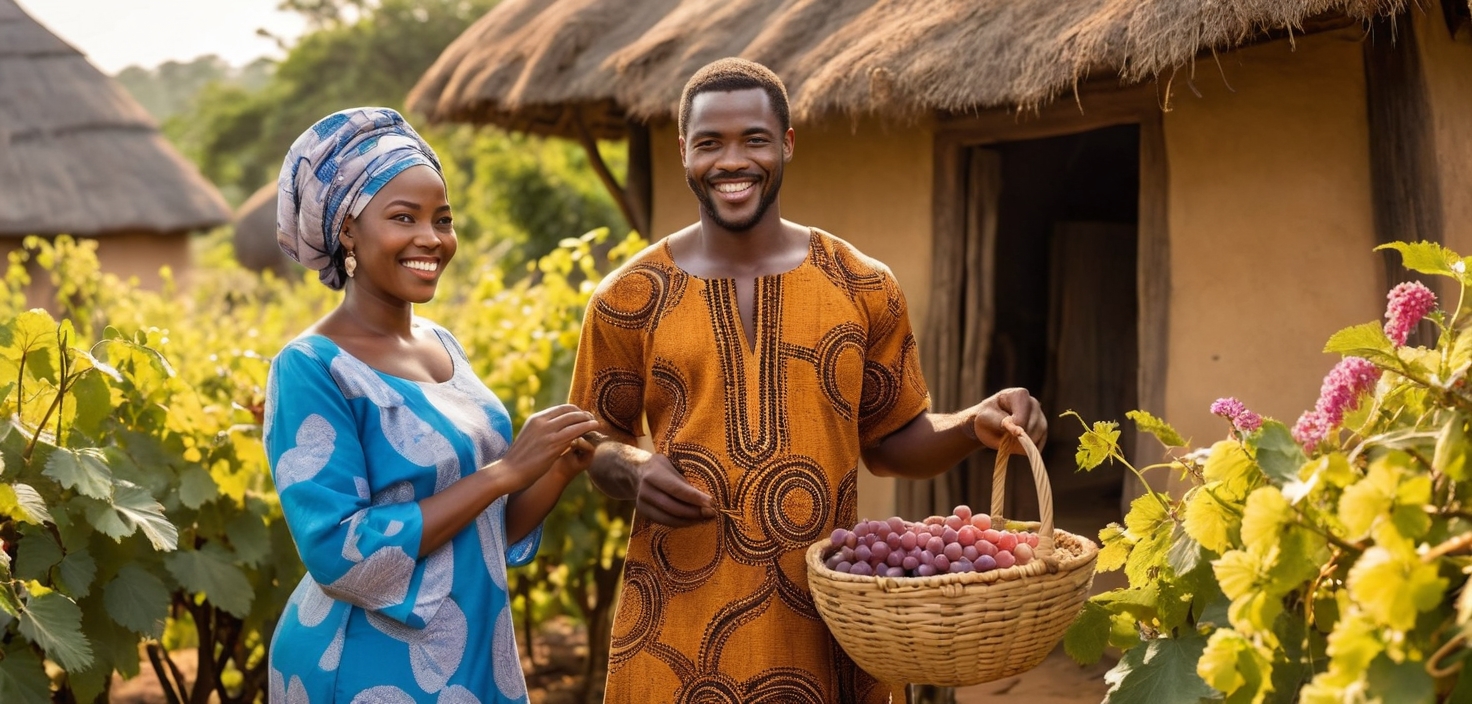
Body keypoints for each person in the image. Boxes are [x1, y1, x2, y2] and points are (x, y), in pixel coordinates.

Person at [568, 59, 1048, 703]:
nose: (732, 161)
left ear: (787, 143)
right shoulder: (628, 296)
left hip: (831, 623)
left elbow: (891, 443)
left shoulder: (862, 284)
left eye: (754, 140)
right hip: (676, 628)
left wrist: (972, 426)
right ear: (683, 151)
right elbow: (591, 438)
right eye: (709, 143)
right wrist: (629, 466)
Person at [264, 106, 601, 703]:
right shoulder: (311, 366)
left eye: (442, 219)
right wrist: (505, 471)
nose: (432, 238)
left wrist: (555, 470)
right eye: (404, 217)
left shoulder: (442, 344)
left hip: (474, 645)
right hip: (370, 664)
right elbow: (337, 553)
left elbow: (481, 529)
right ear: (348, 231)